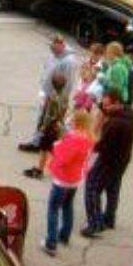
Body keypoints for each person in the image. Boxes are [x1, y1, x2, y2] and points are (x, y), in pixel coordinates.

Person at [81, 91, 133, 237]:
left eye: (107, 105)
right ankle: (109, 217)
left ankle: (95, 223)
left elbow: (101, 146)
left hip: (108, 160)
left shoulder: (114, 124)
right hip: (122, 160)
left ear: (117, 103)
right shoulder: (131, 113)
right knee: (113, 187)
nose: (104, 108)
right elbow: (104, 106)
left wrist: (87, 142)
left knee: (92, 187)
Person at [43, 109, 95, 256]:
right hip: (75, 180)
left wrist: (57, 146)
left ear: (76, 122)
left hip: (63, 180)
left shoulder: (73, 139)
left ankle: (51, 243)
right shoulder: (89, 138)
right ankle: (64, 235)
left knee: (53, 209)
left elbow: (63, 159)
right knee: (67, 206)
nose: (69, 121)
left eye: (72, 119)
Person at [19, 35, 79, 151]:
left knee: (47, 121)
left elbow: (68, 83)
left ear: (61, 45)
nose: (52, 51)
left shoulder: (69, 62)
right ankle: (42, 142)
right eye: (51, 47)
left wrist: (59, 99)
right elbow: (47, 69)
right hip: (46, 93)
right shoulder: (53, 54)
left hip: (54, 97)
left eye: (55, 48)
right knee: (42, 119)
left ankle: (38, 144)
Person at [25, 69, 70, 179]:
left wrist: (43, 127)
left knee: (44, 149)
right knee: (53, 148)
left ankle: (40, 170)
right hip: (58, 125)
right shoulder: (65, 96)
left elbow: (48, 115)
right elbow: (64, 110)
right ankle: (60, 167)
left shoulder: (52, 97)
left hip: (50, 127)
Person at [99, 41, 133, 106]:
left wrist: (103, 81)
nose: (106, 55)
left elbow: (117, 87)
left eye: (107, 52)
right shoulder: (114, 64)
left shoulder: (118, 67)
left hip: (116, 99)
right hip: (113, 97)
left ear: (112, 53)